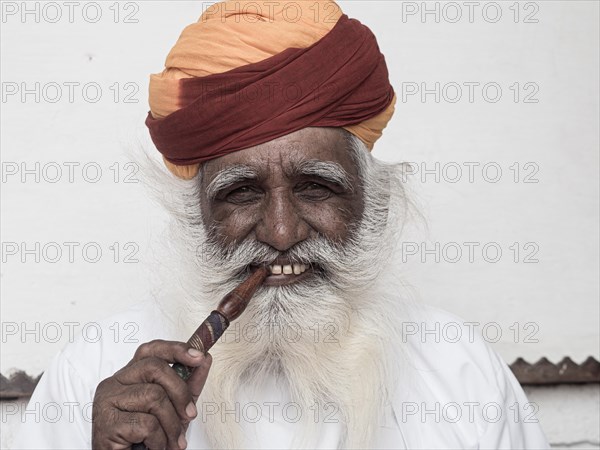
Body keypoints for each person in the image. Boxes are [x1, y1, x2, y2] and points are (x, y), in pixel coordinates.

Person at [15, 1, 549, 448]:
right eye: (241, 193)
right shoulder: (92, 375)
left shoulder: (458, 371)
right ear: (194, 213)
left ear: (372, 201)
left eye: (316, 187)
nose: (280, 231)